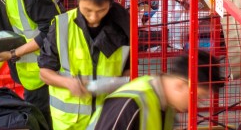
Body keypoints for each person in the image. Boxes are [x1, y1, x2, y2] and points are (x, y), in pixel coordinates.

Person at [39, 0, 130, 130]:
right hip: (69, 123)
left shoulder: (123, 27)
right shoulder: (62, 26)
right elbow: (44, 72)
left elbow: (129, 70)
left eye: (101, 10)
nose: (93, 17)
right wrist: (68, 83)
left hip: (107, 119)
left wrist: (117, 84)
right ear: (78, 1)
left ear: (110, 4)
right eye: (87, 10)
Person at [87, 51, 223, 130]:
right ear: (180, 85)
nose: (197, 104)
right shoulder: (131, 104)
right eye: (197, 97)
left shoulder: (167, 106)